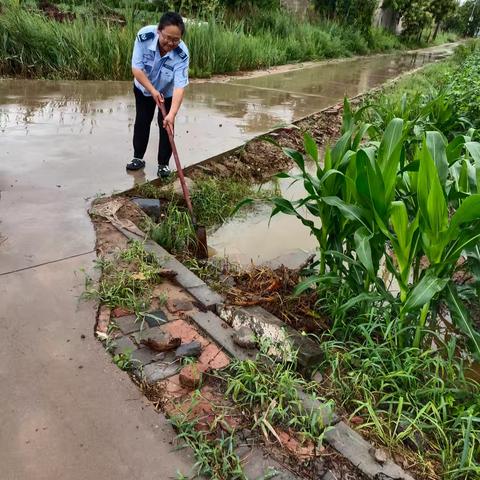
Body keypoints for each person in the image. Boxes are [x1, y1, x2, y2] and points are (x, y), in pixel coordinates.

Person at [126, 12, 189, 178]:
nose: (170, 43)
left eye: (176, 40)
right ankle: (137, 158)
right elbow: (136, 69)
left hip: (167, 91)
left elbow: (179, 86)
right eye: (167, 37)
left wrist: (172, 114)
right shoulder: (144, 36)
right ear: (159, 31)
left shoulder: (182, 54)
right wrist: (152, 90)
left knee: (167, 125)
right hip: (144, 88)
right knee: (142, 120)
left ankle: (163, 165)